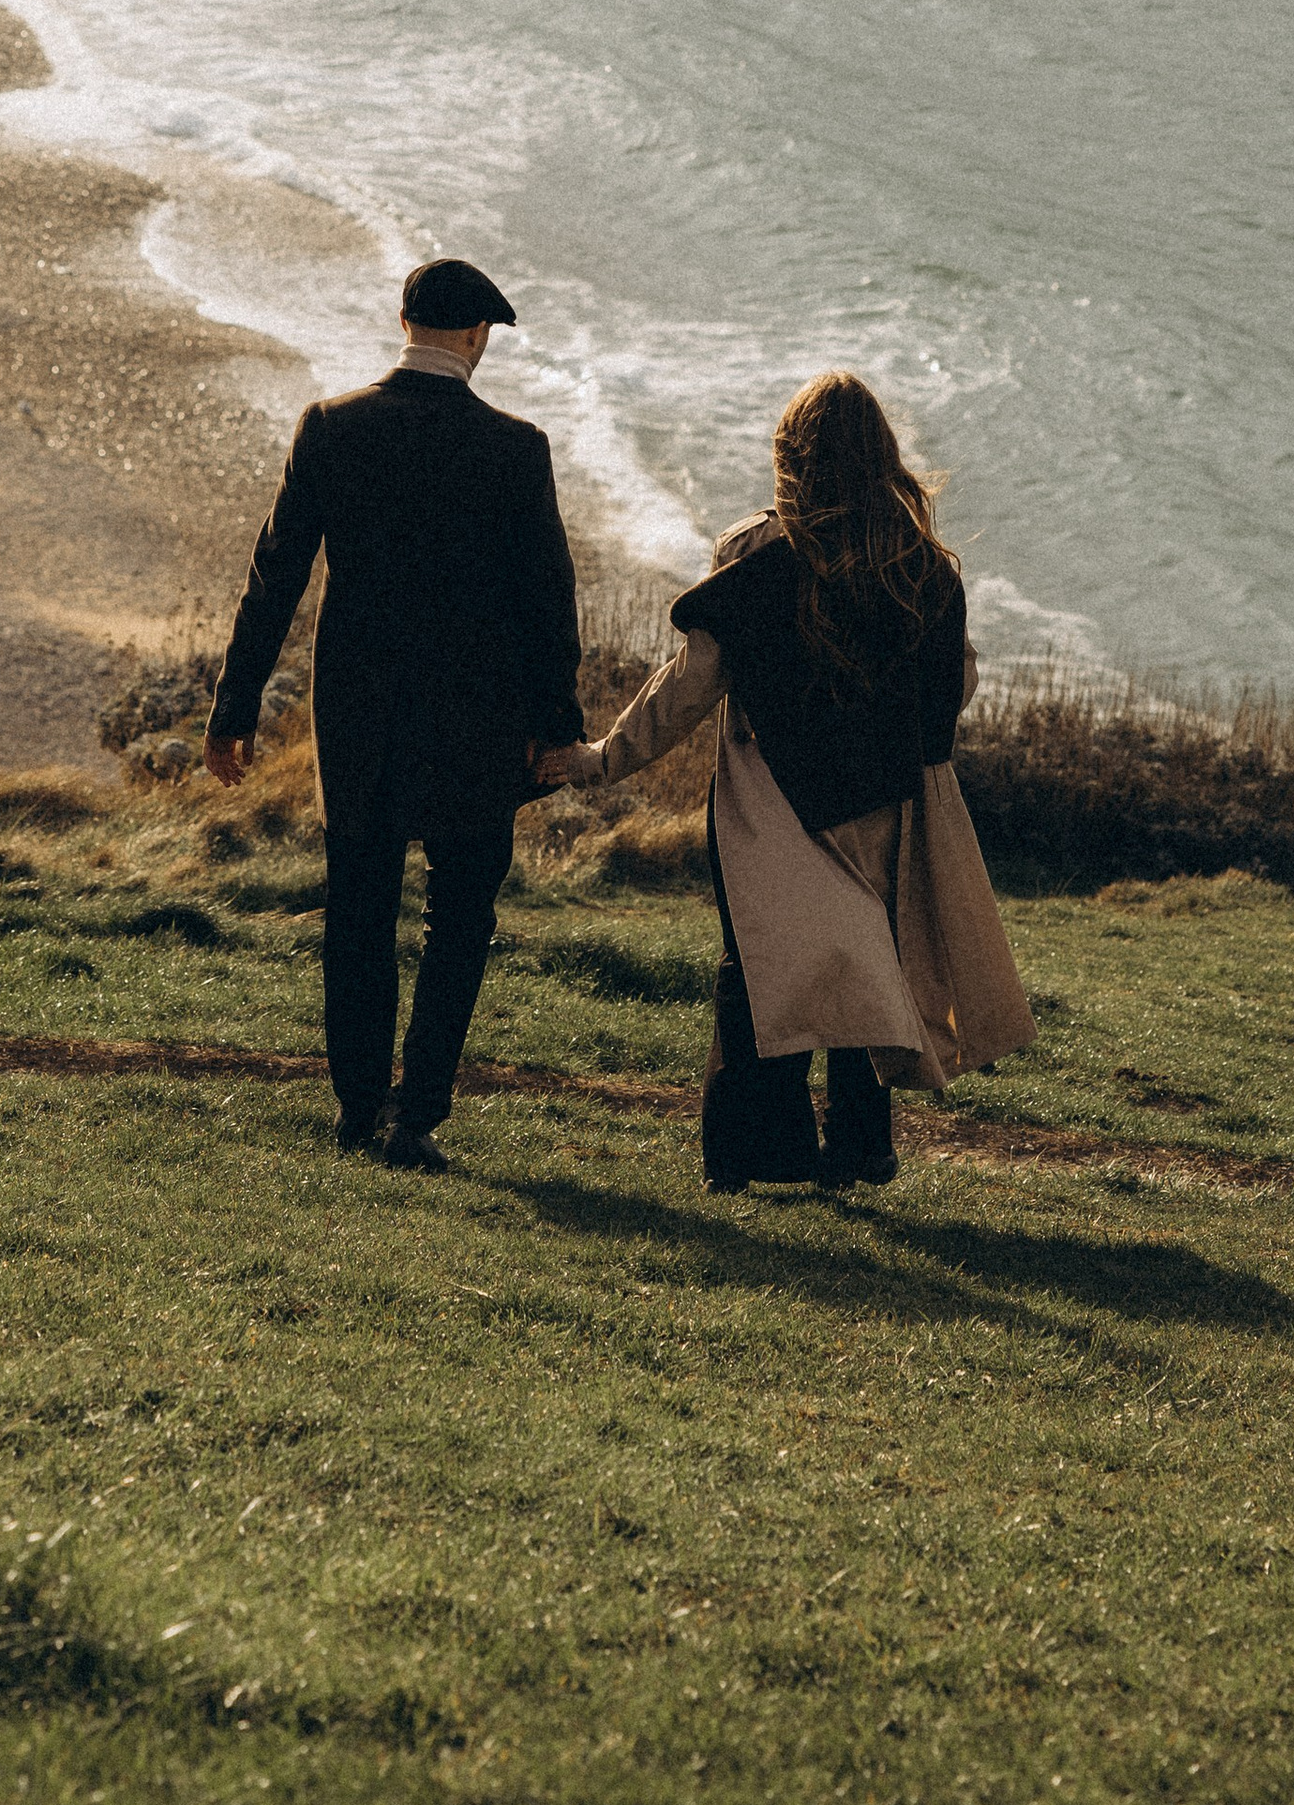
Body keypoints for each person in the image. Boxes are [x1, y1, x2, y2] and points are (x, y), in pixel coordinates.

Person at [539, 370, 1032, 1191]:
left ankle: (757, 1158)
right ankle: (860, 1150)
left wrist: (602, 759)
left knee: (763, 966)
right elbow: (959, 681)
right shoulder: (922, 564)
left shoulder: (755, 553)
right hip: (884, 800)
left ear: (790, 456)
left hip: (775, 802)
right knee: (869, 962)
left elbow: (691, 683)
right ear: (883, 454)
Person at [204, 257, 582, 1174]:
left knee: (360, 910)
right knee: (460, 918)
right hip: (478, 722)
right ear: (476, 336)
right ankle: (418, 1116)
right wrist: (557, 725)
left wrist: (234, 705)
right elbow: (547, 602)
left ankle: (355, 1106)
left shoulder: (332, 428)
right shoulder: (515, 448)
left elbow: (275, 577)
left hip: (363, 716)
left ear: (403, 317)